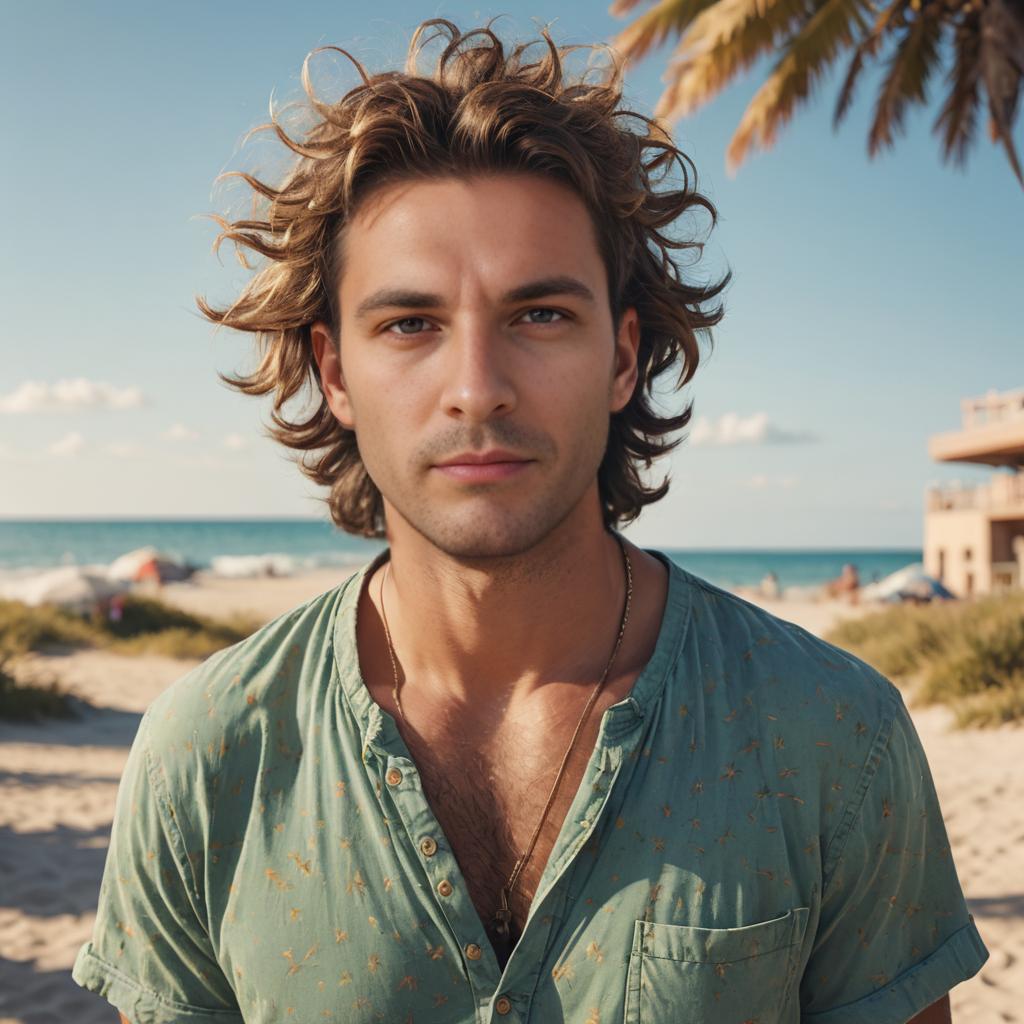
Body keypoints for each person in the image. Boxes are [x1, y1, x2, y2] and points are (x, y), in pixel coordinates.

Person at [72, 18, 987, 1024]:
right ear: (334, 371)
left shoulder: (828, 737)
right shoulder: (208, 758)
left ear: (624, 356)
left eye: (539, 314)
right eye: (410, 324)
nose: (476, 388)